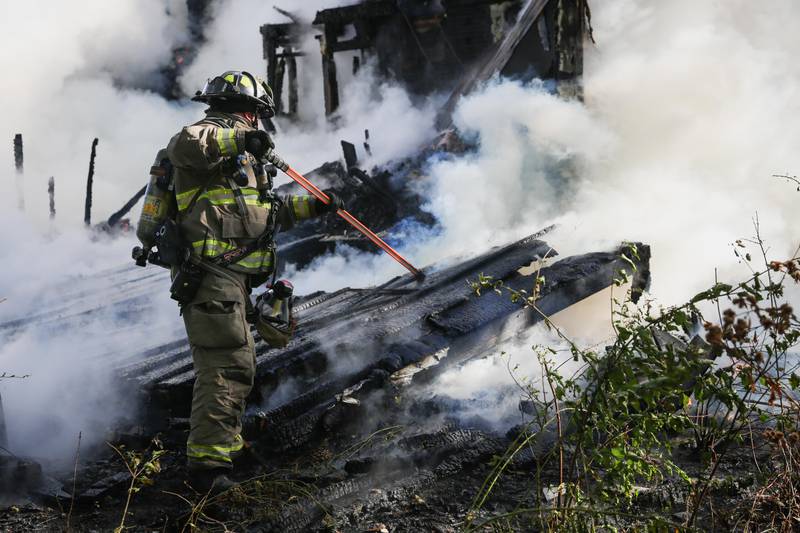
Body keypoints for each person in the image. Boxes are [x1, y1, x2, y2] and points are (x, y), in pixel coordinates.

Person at [166, 70, 342, 491]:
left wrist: (314, 208)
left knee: (238, 362)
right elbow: (185, 145)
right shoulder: (203, 138)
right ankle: (208, 470)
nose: (258, 127)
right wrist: (240, 140)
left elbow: (264, 217)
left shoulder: (240, 162)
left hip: (235, 278)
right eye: (257, 118)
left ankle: (224, 445)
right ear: (248, 112)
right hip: (210, 276)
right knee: (226, 366)